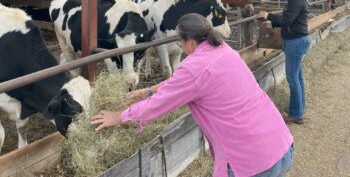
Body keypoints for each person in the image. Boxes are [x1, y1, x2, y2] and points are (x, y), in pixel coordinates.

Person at [91, 13, 294, 177]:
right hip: (279, 143)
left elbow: (158, 105)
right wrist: (148, 90)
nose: (180, 47)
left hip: (251, 161)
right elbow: (186, 83)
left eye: (179, 42)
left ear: (188, 41)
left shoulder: (194, 67)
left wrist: (118, 116)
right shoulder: (223, 49)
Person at [257, 0, 311, 124]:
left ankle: (296, 114)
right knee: (297, 77)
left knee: (292, 78)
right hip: (296, 40)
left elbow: (287, 20)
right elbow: (291, 22)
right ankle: (299, 108)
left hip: (295, 42)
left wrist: (268, 15)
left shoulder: (297, 0)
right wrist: (271, 24)